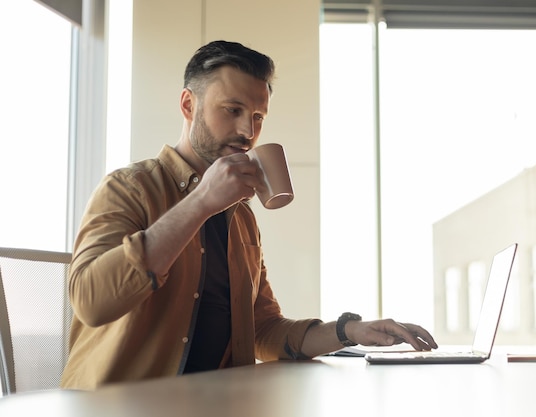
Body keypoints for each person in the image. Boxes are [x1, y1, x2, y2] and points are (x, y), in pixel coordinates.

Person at [60, 40, 437, 390]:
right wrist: (201, 202)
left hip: (216, 403)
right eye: (233, 110)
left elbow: (264, 329)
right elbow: (92, 303)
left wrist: (351, 330)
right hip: (120, 407)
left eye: (258, 116)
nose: (247, 131)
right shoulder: (128, 188)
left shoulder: (240, 217)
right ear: (189, 105)